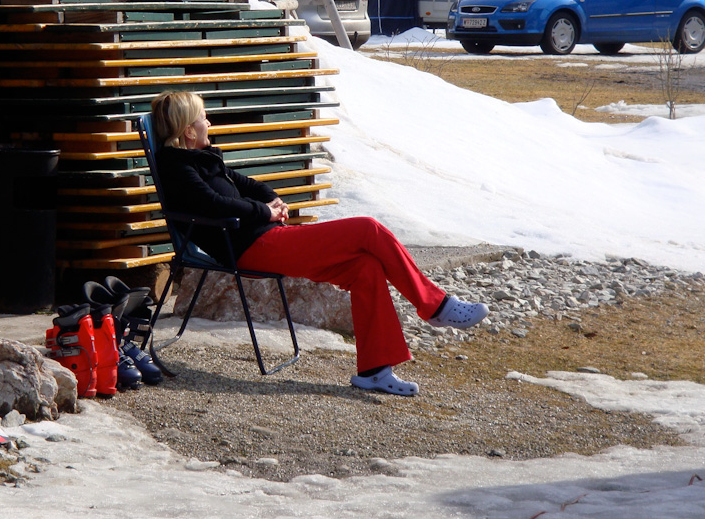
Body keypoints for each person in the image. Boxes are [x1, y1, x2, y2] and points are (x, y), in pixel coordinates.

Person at [150, 90, 488, 397]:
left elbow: (245, 183)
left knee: (365, 267)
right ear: (189, 131)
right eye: (203, 117)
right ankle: (435, 306)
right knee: (368, 229)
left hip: (265, 238)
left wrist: (273, 200)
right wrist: (264, 213)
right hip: (253, 247)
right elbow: (215, 205)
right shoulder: (179, 169)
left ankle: (374, 370)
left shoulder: (203, 159)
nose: (210, 121)